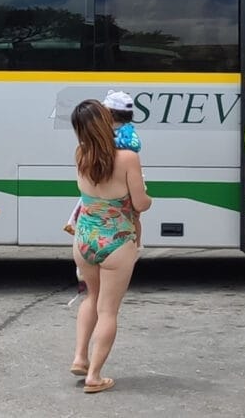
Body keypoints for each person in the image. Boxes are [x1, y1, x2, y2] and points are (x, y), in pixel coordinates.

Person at [69, 99, 152, 394]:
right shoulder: (128, 158)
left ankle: (80, 356)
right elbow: (141, 203)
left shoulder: (80, 154)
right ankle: (94, 376)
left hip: (84, 239)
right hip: (116, 241)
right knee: (108, 311)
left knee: (91, 297)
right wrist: (148, 197)